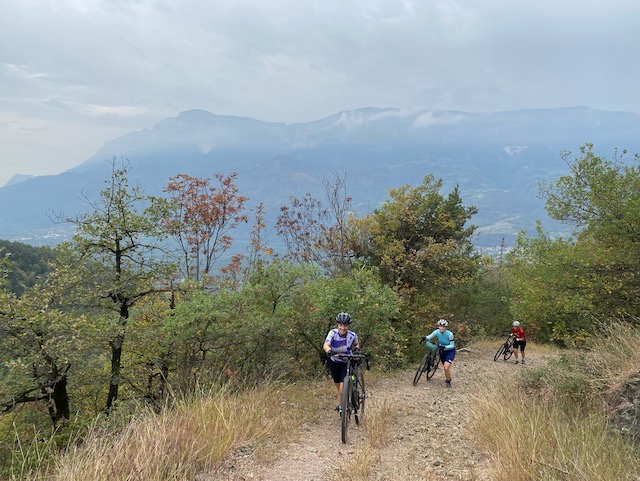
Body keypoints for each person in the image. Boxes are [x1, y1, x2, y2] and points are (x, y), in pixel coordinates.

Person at [323, 312, 360, 413]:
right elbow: (326, 344)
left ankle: (342, 406)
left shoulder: (352, 335)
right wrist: (329, 351)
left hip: (346, 361)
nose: (343, 328)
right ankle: (342, 403)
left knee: (343, 388)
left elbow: (356, 344)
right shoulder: (332, 333)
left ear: (348, 326)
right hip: (334, 361)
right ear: (338, 325)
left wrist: (356, 350)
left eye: (345, 325)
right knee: (338, 386)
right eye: (341, 325)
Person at [422, 319, 456, 388]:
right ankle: (430, 364)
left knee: (446, 368)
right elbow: (430, 336)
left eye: (443, 326)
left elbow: (452, 345)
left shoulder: (450, 334)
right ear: (438, 326)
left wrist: (445, 346)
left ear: (445, 327)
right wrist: (425, 337)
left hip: (450, 351)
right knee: (444, 365)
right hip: (442, 350)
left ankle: (448, 381)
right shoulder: (437, 332)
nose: (442, 328)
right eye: (440, 326)